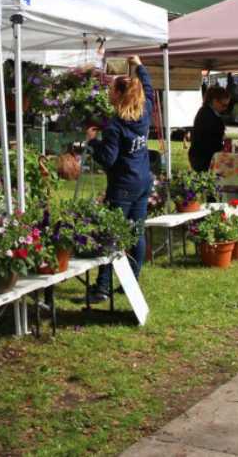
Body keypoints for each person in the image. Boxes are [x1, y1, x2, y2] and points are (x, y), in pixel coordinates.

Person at [84, 55, 155, 304]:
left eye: (111, 89)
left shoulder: (115, 125)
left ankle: (102, 287)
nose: (108, 93)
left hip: (123, 185)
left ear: (119, 94)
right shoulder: (144, 113)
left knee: (111, 234)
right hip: (143, 180)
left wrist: (93, 141)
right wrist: (138, 65)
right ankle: (131, 282)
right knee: (136, 232)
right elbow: (148, 88)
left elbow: (109, 159)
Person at [188, 85, 231, 171]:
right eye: (223, 105)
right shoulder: (207, 115)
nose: (225, 108)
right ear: (215, 101)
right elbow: (209, 139)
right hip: (203, 158)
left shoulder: (207, 112)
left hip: (201, 156)